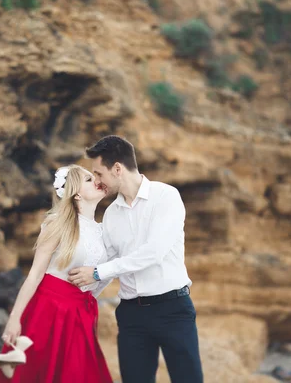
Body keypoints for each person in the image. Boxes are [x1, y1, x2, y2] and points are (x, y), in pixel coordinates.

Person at [68, 135, 204, 383]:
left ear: (117, 169)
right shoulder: (110, 214)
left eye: (99, 174)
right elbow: (107, 264)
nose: (97, 181)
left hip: (172, 309)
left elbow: (153, 252)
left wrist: (97, 272)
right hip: (131, 315)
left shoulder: (166, 197)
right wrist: (79, 302)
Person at [0, 164, 113, 383]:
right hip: (49, 308)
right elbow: (35, 274)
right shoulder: (57, 223)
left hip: (81, 312)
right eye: (87, 179)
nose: (95, 180)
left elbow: (104, 275)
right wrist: (15, 318)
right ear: (76, 194)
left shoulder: (104, 231)